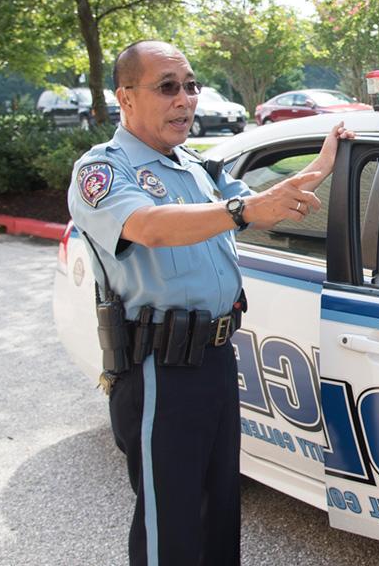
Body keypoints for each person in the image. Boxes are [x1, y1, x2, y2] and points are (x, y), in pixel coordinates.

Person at [66, 39, 354, 565]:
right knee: (170, 526)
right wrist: (241, 210)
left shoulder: (193, 169)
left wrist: (325, 160)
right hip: (158, 367)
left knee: (217, 512)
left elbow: (267, 203)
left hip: (215, 358)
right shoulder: (103, 170)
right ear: (125, 97)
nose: (186, 99)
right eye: (168, 87)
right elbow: (147, 227)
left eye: (191, 86)